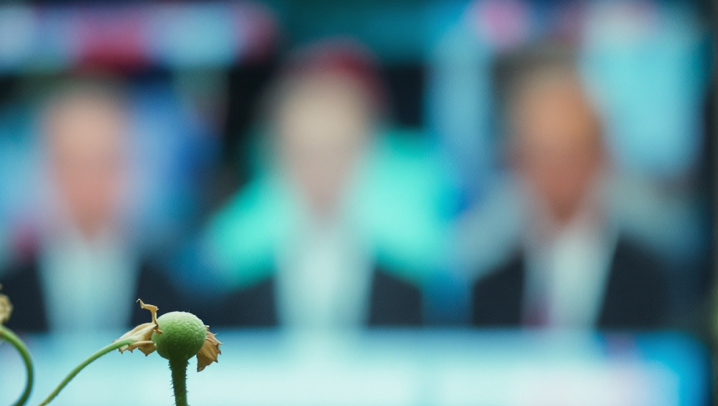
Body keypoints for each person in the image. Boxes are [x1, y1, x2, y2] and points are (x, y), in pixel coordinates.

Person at [216, 45, 422, 331]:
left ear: (369, 153)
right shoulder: (235, 289)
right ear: (274, 157)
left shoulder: (410, 291)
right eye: (304, 154)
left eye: (337, 152)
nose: (321, 172)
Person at [471, 61, 668, 330]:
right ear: (517, 161)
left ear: (602, 156)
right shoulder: (488, 286)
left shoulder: (655, 279)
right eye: (542, 153)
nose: (557, 170)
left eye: (571, 151)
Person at [0, 80, 183, 341]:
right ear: (48, 168)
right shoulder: (2, 298)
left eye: (104, 161)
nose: (90, 180)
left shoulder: (170, 295)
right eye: (74, 162)